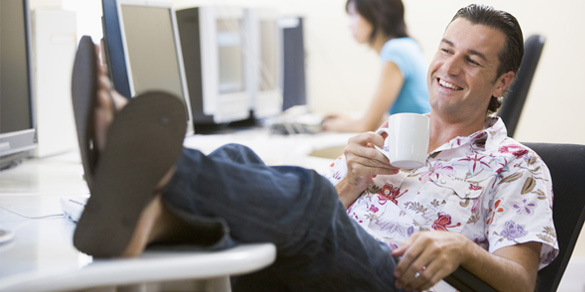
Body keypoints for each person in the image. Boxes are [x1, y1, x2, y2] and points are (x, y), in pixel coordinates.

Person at [72, 4, 557, 292]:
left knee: (305, 197)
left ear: (502, 82)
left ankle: (151, 168)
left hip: (396, 279)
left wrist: (459, 247)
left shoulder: (517, 165)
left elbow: (521, 281)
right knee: (243, 162)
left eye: (472, 60)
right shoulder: (393, 134)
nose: (449, 68)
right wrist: (351, 181)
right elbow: (303, 212)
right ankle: (155, 214)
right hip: (328, 260)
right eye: (447, 49)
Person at [321, 0, 430, 133]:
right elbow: (386, 119)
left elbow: (366, 127)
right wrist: (351, 120)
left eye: (354, 15)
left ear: (375, 15)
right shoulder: (407, 45)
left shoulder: (395, 51)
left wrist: (327, 125)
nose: (350, 25)